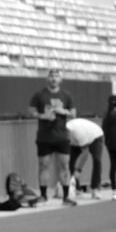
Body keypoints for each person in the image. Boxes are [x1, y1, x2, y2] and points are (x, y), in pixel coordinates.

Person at [28, 68, 77, 206]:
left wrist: (63, 111)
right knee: (43, 165)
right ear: (47, 79)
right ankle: (43, 195)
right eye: (51, 76)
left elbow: (74, 113)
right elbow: (30, 111)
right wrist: (43, 116)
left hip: (62, 136)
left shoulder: (66, 95)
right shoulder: (39, 94)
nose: (54, 78)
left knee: (65, 165)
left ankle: (66, 197)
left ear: (61, 79)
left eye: (56, 76)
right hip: (45, 136)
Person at [66, 117, 104, 199]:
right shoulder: (63, 133)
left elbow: (85, 153)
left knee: (97, 160)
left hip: (95, 136)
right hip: (76, 140)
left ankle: (95, 189)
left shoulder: (78, 132)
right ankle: (77, 189)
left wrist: (78, 170)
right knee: (70, 161)